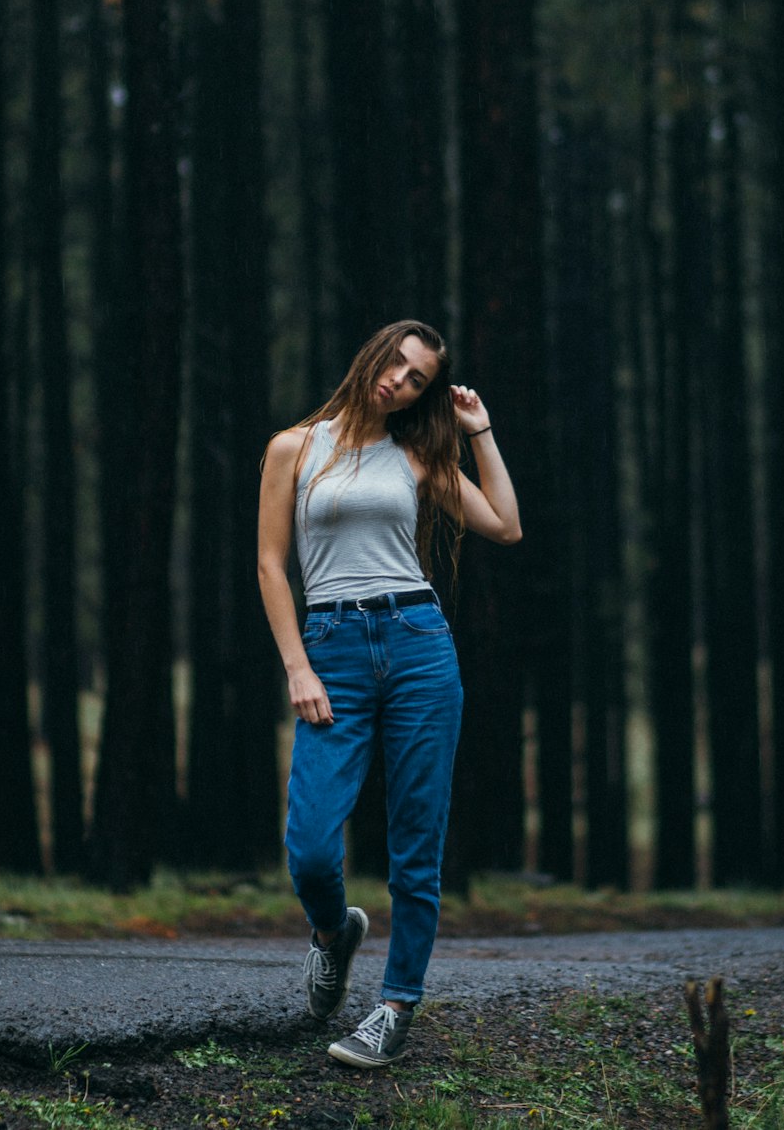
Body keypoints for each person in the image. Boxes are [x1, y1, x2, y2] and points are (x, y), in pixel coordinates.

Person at [258, 320, 522, 1068]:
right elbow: (273, 567)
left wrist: (481, 433)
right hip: (332, 652)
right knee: (310, 844)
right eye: (396, 364)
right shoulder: (293, 448)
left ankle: (395, 1005)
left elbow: (504, 526)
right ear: (372, 353)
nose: (399, 382)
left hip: (417, 646)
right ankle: (333, 932)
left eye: (416, 380)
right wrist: (297, 667)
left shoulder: (419, 453)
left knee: (415, 846)